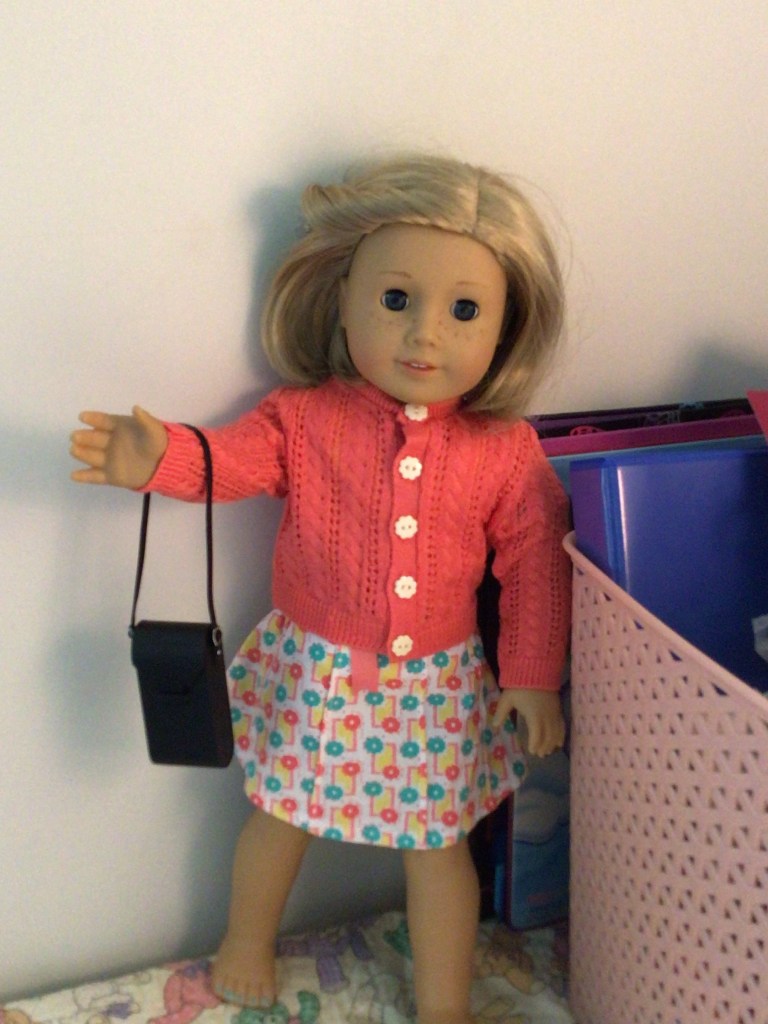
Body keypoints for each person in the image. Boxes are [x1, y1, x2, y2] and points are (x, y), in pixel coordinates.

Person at [70, 153, 571, 1024]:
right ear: (342, 299)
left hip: (437, 688)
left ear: (504, 327)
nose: (425, 335)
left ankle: (444, 1004)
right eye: (396, 299)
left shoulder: (503, 450)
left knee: (439, 847)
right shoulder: (306, 418)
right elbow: (234, 461)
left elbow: (534, 562)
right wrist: (163, 458)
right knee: (281, 815)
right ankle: (245, 942)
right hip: (317, 671)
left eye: (464, 311)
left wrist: (530, 674)